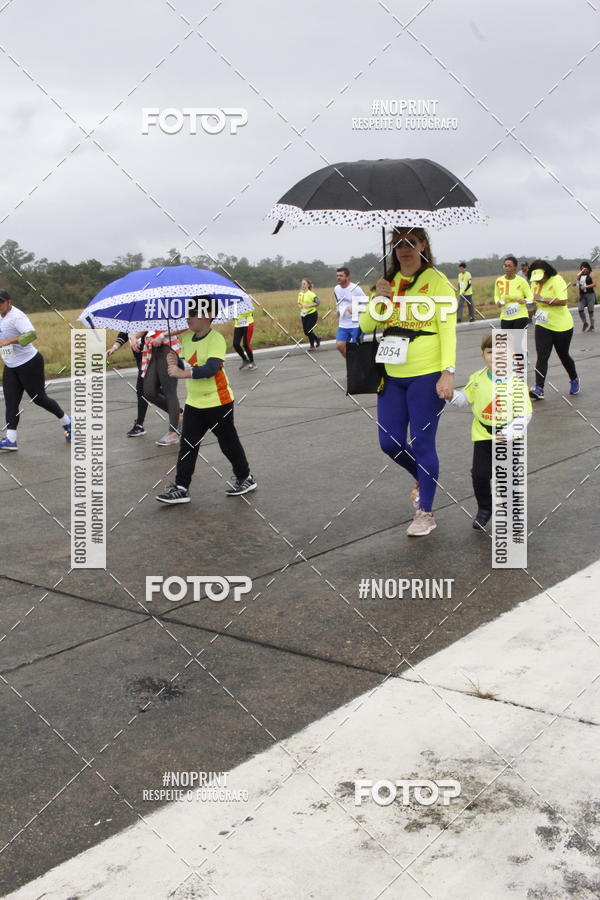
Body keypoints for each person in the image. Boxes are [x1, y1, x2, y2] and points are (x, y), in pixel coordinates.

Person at [359, 228, 456, 537]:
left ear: (422, 245)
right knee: (389, 442)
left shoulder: (437, 282)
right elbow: (366, 325)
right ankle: (424, 476)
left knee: (423, 442)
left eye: (410, 243)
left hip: (426, 373)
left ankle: (425, 511)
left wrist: (447, 371)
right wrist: (380, 298)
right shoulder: (387, 283)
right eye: (398, 243)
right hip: (391, 374)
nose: (404, 249)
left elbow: (447, 330)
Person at [155, 296, 256, 504]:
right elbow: (189, 362)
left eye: (193, 313)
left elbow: (211, 368)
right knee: (188, 445)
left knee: (228, 443)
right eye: (188, 312)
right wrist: (175, 361)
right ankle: (181, 487)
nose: (188, 317)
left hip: (219, 402)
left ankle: (245, 477)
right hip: (195, 402)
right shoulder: (186, 339)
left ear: (208, 316)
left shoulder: (216, 339)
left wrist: (182, 373)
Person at [448, 332, 532, 531]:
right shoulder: (477, 378)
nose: (496, 356)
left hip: (509, 437)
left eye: (503, 352)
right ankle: (485, 508)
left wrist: (510, 432)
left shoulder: (517, 384)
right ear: (483, 355)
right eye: (490, 351)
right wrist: (449, 395)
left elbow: (525, 415)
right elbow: (463, 399)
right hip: (483, 435)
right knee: (479, 475)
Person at [0, 290, 71, 451]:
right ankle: (11, 440)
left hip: (29, 363)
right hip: (11, 365)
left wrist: (8, 341)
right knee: (11, 402)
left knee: (38, 398)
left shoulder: (17, 317)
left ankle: (67, 421)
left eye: (1, 302)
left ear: (8, 302)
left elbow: (31, 335)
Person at [528, 260, 580, 399]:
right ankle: (539, 388)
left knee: (563, 354)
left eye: (541, 279)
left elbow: (563, 301)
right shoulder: (534, 282)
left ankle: (574, 378)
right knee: (542, 355)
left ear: (547, 273)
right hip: (543, 323)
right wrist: (530, 313)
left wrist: (542, 299)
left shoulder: (557, 281)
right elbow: (535, 302)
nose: (538, 282)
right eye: (536, 279)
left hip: (562, 325)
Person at [130, 328, 182, 445]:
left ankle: (173, 432)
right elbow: (147, 326)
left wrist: (162, 335)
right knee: (149, 392)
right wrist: (134, 337)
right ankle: (179, 415)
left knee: (169, 391)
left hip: (168, 347)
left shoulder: (172, 309)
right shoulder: (150, 309)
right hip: (151, 349)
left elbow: (183, 325)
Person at [107, 331, 149, 436]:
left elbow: (148, 330)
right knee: (149, 392)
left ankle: (139, 425)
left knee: (143, 391)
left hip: (150, 357)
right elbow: (124, 333)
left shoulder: (145, 318)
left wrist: (135, 337)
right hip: (140, 359)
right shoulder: (130, 320)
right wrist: (114, 348)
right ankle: (179, 412)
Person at [333, 267, 367, 357]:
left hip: (356, 324)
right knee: (340, 345)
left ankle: (358, 365)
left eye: (341, 275)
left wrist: (355, 308)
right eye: (337, 276)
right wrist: (337, 311)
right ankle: (351, 362)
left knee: (356, 347)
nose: (338, 278)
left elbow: (366, 305)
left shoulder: (356, 289)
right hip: (343, 324)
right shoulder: (336, 289)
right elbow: (339, 302)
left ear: (348, 277)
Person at [493, 255, 532, 329]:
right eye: (505, 266)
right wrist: (498, 302)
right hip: (505, 315)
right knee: (506, 340)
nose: (507, 268)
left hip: (520, 315)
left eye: (509, 266)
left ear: (515, 267)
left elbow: (530, 296)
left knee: (517, 340)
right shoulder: (499, 280)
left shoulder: (522, 281)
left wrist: (525, 300)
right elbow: (496, 295)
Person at [297, 278, 321, 350]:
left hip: (312, 314)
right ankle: (317, 339)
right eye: (302, 284)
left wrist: (309, 305)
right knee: (306, 332)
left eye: (304, 284)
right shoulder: (300, 293)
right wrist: (299, 306)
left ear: (308, 285)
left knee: (309, 330)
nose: (303, 285)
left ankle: (312, 346)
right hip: (304, 314)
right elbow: (298, 303)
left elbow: (318, 302)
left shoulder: (311, 294)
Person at [576, 261, 596, 333]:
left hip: (590, 294)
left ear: (588, 268)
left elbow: (594, 284)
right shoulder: (580, 274)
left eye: (584, 269)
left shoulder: (591, 274)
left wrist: (586, 286)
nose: (583, 270)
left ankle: (592, 326)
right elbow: (577, 283)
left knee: (590, 311)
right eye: (582, 269)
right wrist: (578, 283)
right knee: (580, 309)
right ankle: (585, 323)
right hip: (582, 295)